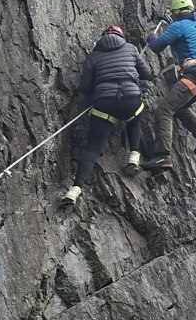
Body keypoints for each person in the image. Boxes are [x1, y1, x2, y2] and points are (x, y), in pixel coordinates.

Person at [62, 24, 154, 203]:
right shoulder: (131, 48)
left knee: (92, 148)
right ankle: (134, 157)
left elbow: (85, 86)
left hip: (104, 103)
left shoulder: (93, 56)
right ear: (121, 36)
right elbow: (146, 73)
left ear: (101, 38)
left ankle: (75, 190)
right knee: (135, 119)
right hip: (130, 98)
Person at [141, 0, 196, 170]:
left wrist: (151, 36)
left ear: (176, 13)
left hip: (195, 75)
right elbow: (186, 35)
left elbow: (157, 46)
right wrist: (171, 25)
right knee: (180, 107)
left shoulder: (178, 25)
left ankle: (162, 156)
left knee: (164, 110)